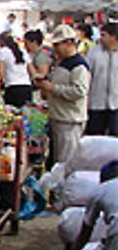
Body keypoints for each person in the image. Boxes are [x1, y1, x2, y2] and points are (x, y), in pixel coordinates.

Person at [35, 24, 90, 165]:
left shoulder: (79, 65)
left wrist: (53, 88)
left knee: (66, 161)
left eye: (57, 45)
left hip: (70, 120)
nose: (55, 48)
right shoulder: (62, 63)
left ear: (68, 43)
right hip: (59, 117)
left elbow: (79, 91)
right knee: (58, 159)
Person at [85, 22, 118, 136]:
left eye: (104, 35)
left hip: (115, 104)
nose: (100, 38)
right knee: (95, 137)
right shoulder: (93, 53)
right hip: (96, 104)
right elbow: (87, 75)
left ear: (113, 37)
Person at [0, 32, 32, 107]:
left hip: (12, 86)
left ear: (1, 41)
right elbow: (31, 69)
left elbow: (1, 71)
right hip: (26, 86)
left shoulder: (3, 51)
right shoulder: (23, 51)